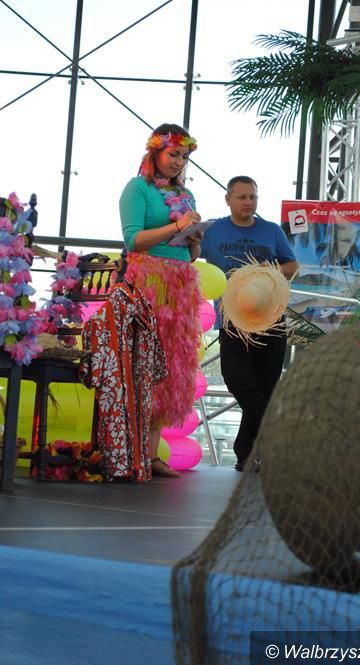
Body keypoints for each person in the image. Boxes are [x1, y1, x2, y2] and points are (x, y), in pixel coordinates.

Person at [119, 123, 204, 480]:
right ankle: (132, 454)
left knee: (169, 368)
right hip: (148, 281)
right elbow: (133, 240)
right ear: (156, 151)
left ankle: (152, 455)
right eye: (173, 154)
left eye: (183, 157)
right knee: (144, 363)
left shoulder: (185, 195)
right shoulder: (137, 188)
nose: (178, 162)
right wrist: (176, 227)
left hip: (180, 285)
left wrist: (194, 238)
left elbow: (192, 253)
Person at [201, 176, 299, 471]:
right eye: (242, 197)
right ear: (228, 199)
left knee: (265, 385)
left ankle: (246, 455)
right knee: (236, 378)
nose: (248, 202)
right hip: (233, 317)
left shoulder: (271, 230)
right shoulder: (213, 230)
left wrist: (270, 269)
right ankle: (275, 427)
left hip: (271, 317)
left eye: (253, 197)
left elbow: (292, 265)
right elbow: (190, 255)